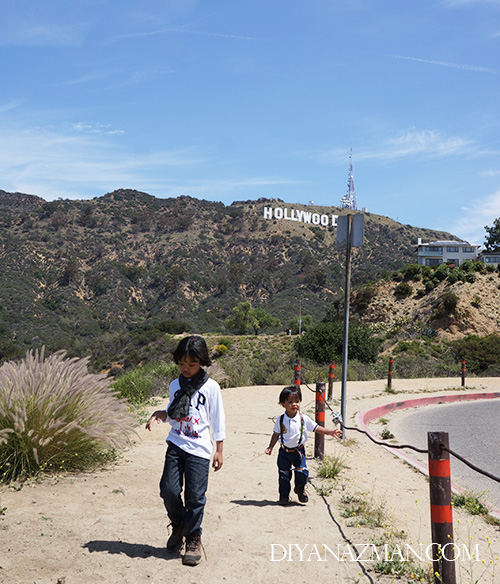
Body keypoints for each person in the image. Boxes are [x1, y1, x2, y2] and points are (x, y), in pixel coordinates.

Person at [146, 335, 225, 566]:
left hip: (199, 449)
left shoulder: (211, 388)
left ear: (202, 362)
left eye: (191, 364)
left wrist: (219, 450)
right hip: (176, 443)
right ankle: (179, 525)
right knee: (168, 489)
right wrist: (161, 414)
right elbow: (174, 413)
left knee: (195, 497)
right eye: (182, 364)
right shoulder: (174, 385)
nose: (186, 368)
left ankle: (193, 537)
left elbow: (218, 420)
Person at [265, 385, 341, 505]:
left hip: (299, 452)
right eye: (290, 402)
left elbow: (316, 428)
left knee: (302, 472)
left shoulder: (303, 419)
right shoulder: (280, 420)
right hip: (284, 452)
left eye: (297, 401)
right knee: (284, 475)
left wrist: (330, 432)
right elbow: (276, 434)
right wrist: (270, 447)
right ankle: (284, 496)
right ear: (283, 404)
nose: (294, 404)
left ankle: (300, 489)